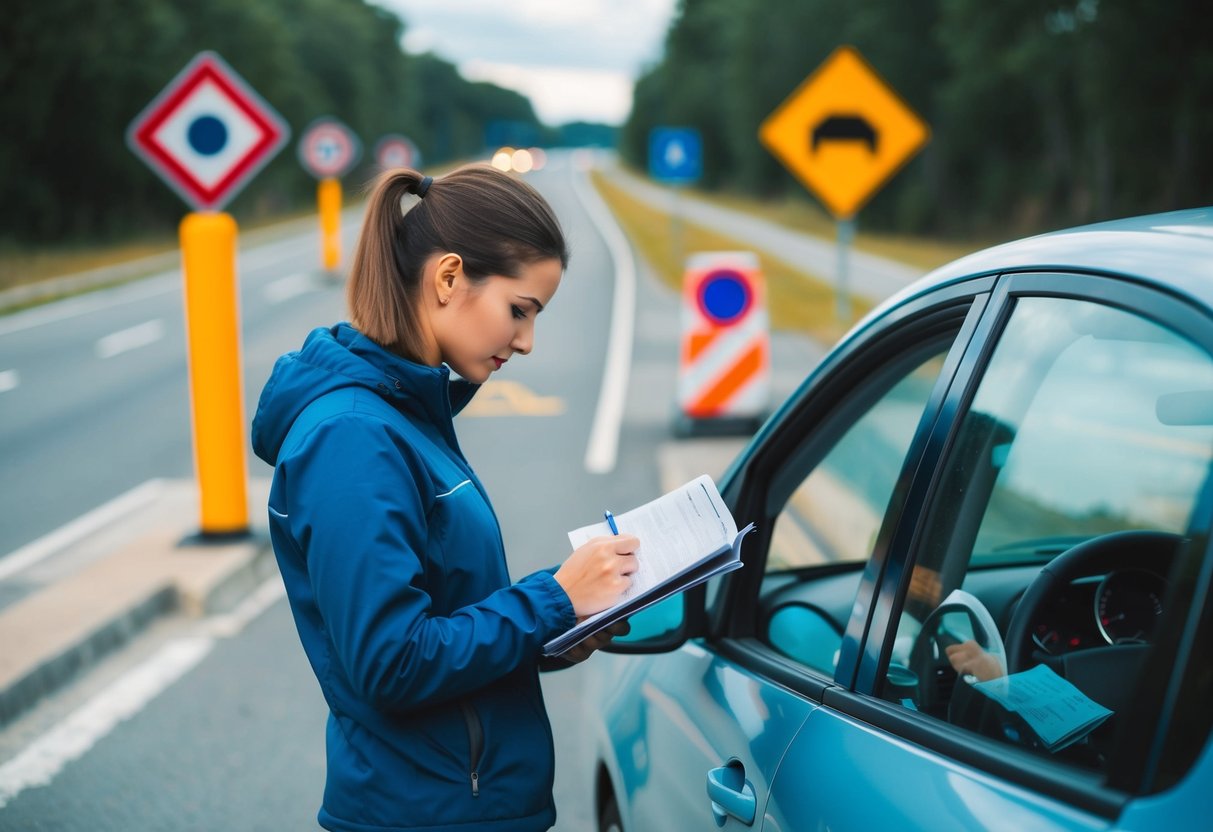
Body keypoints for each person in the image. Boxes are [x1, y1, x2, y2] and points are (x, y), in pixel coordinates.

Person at [251, 164, 641, 832]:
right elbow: (392, 663)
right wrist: (551, 599)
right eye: (520, 310)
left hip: (459, 806)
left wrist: (558, 627)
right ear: (449, 277)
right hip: (424, 814)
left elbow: (446, 617)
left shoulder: (404, 415)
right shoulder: (353, 437)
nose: (525, 341)